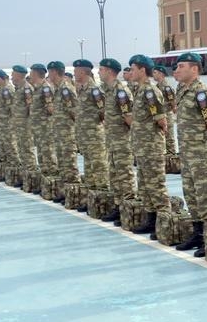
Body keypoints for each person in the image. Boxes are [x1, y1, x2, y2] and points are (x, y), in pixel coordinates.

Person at [173, 52, 207, 256]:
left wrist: (202, 142)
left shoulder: (201, 93)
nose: (177, 70)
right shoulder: (182, 90)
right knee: (191, 195)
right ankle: (198, 234)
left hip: (201, 153)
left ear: (194, 69)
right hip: (187, 152)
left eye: (181, 66)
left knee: (205, 197)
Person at [128, 54, 171, 237]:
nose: (130, 73)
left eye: (132, 69)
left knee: (156, 186)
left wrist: (154, 137)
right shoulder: (140, 90)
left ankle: (165, 224)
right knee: (145, 186)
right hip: (142, 146)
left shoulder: (150, 92)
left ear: (142, 70)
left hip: (151, 146)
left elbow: (161, 120)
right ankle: (151, 220)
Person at [99, 58, 137, 225]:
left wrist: (128, 139)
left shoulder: (120, 91)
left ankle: (128, 208)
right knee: (114, 174)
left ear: (109, 71)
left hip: (122, 140)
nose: (99, 72)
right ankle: (118, 205)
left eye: (101, 69)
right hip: (112, 140)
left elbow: (129, 118)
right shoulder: (108, 90)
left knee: (125, 175)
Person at [73, 59, 110, 196]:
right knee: (89, 167)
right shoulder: (82, 89)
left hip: (94, 135)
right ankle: (92, 197)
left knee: (99, 166)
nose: (75, 74)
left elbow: (104, 111)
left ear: (83, 72)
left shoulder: (94, 90)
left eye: (76, 71)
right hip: (85, 136)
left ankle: (103, 195)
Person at [50, 61, 81, 196]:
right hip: (59, 133)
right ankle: (67, 193)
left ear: (54, 72)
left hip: (67, 133)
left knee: (70, 164)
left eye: (50, 72)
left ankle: (75, 194)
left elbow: (74, 111)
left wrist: (73, 130)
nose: (48, 75)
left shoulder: (66, 89)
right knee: (63, 164)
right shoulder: (58, 89)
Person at [29, 63, 57, 178]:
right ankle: (46, 176)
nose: (30, 75)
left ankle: (53, 175)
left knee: (48, 152)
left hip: (45, 127)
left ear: (36, 73)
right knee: (41, 153)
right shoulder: (37, 88)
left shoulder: (46, 88)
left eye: (31, 73)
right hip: (39, 127)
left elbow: (50, 108)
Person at [153, 64, 178, 155]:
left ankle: (172, 160)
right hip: (160, 116)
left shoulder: (166, 87)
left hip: (167, 115)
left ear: (161, 74)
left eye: (155, 72)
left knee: (169, 139)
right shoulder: (156, 86)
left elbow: (173, 103)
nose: (153, 74)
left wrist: (172, 113)